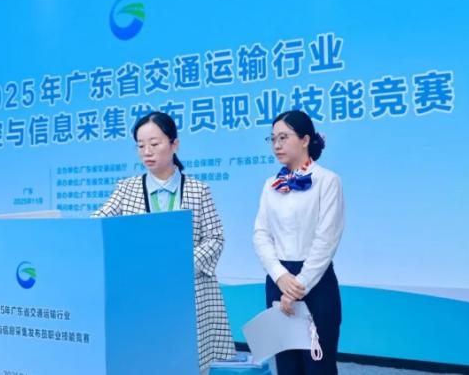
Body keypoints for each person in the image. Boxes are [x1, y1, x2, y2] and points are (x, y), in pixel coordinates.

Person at [91, 111, 235, 374]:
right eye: (140, 146)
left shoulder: (198, 189)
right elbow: (97, 223)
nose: (147, 152)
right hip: (143, 291)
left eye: (154, 144)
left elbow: (215, 238)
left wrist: (181, 265)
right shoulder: (126, 188)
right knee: (145, 357)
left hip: (189, 291)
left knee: (191, 360)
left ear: (174, 144)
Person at [253, 110, 345, 374]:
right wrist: (280, 275)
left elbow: (326, 239)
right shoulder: (270, 184)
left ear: (305, 140)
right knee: (287, 365)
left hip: (315, 283)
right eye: (272, 139)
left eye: (283, 137)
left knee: (319, 364)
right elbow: (260, 234)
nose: (277, 145)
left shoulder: (328, 181)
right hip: (278, 281)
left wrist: (298, 285)